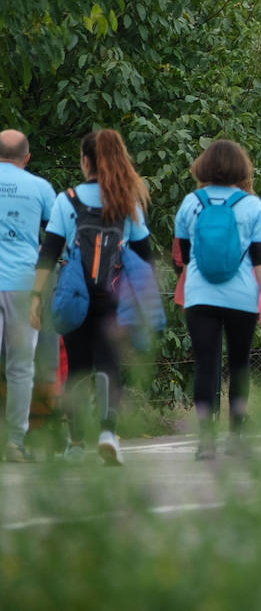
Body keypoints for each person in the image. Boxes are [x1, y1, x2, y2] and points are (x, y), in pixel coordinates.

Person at [29, 129, 153, 466]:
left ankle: (75, 443)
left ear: (86, 161)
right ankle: (108, 433)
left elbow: (50, 251)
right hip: (114, 295)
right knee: (109, 364)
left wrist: (37, 296)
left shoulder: (65, 200)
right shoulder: (127, 200)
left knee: (77, 369)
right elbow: (145, 254)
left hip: (73, 293)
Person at [173, 139, 261, 459]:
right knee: (239, 365)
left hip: (199, 295)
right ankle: (236, 437)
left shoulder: (190, 203)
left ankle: (205, 440)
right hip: (241, 296)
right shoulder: (250, 205)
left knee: (205, 366)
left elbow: (184, 256)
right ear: (240, 167)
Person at [0, 130, 56, 462]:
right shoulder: (40, 188)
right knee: (20, 367)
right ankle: (14, 441)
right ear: (27, 157)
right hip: (23, 284)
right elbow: (57, 237)